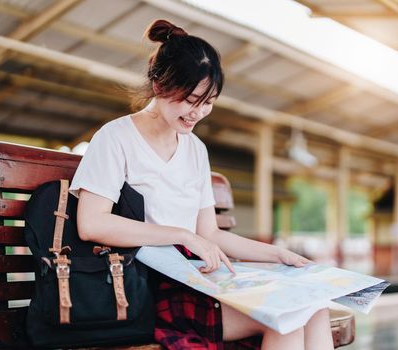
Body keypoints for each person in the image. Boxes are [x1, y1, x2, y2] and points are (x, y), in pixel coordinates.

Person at [69, 19, 334, 350]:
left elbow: (210, 234)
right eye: (191, 100)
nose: (198, 113)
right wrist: (182, 235)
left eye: (208, 102)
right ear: (160, 85)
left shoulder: (194, 148)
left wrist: (280, 255)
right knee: (290, 317)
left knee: (316, 306)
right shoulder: (116, 137)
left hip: (197, 279)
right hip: (148, 285)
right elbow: (91, 223)